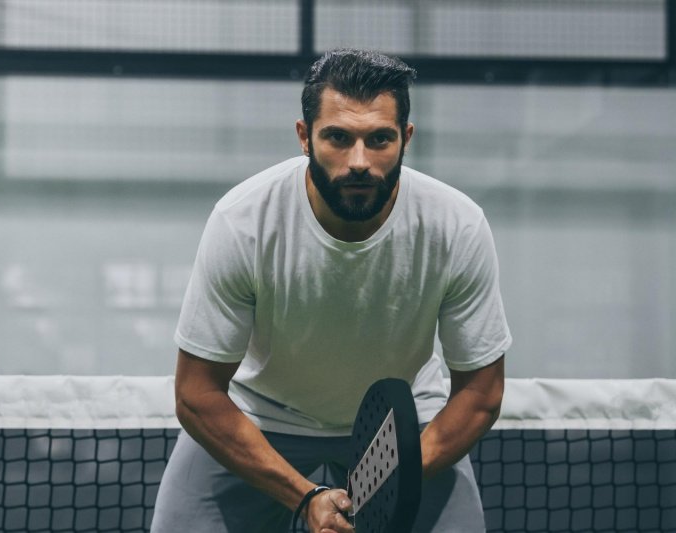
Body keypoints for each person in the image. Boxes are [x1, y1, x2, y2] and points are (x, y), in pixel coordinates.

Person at [151, 48, 512, 533]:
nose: (359, 161)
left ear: (406, 138)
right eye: (338, 138)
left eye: (379, 139)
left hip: (403, 429)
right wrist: (307, 498)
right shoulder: (243, 222)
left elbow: (482, 393)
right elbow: (196, 393)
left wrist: (386, 480)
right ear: (305, 137)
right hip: (260, 417)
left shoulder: (457, 226)